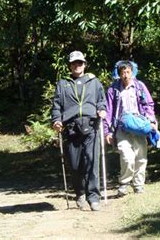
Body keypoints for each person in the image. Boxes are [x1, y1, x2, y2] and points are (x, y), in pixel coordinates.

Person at [51, 50, 107, 211]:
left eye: (80, 62)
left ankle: (94, 197)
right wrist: (56, 120)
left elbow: (101, 100)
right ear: (70, 65)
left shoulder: (94, 81)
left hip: (91, 126)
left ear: (84, 64)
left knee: (92, 161)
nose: (77, 65)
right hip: (71, 128)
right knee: (75, 165)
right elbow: (56, 106)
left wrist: (101, 110)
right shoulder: (63, 83)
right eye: (74, 63)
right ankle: (80, 192)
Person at [104, 60, 157, 196]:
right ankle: (124, 183)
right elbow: (108, 111)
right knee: (127, 156)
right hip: (121, 128)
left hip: (139, 125)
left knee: (140, 157)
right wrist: (107, 131)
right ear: (119, 74)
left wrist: (151, 121)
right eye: (123, 73)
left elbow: (148, 104)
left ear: (132, 72)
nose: (126, 75)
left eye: (128, 72)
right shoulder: (113, 89)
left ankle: (138, 185)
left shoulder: (140, 86)